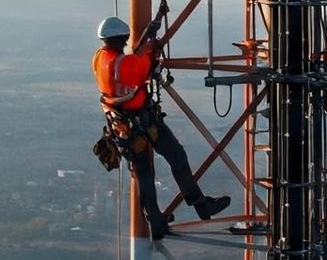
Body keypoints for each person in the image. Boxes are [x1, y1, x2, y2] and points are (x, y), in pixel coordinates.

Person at [93, 14, 231, 241]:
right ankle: (199, 203)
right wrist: (152, 45)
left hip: (123, 128)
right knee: (176, 156)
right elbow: (144, 64)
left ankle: (155, 221)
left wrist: (147, 41)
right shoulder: (125, 64)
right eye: (124, 39)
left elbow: (130, 64)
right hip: (143, 123)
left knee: (144, 174)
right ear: (120, 38)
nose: (127, 42)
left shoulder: (100, 58)